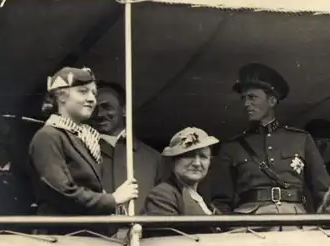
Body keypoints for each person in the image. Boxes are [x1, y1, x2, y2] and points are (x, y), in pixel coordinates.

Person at [210, 63, 330, 218]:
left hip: (295, 220)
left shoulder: (301, 139)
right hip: (251, 223)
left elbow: (323, 192)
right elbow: (221, 202)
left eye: (252, 97)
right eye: (244, 99)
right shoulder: (232, 147)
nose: (246, 104)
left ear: (272, 101)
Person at [28, 67, 138, 235]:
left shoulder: (85, 138)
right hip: (62, 239)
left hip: (86, 235)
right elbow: (62, 192)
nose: (91, 99)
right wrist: (113, 200)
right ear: (61, 96)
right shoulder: (48, 136)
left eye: (93, 93)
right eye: (83, 92)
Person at [92, 81, 165, 216]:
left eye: (106, 107)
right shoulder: (82, 153)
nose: (100, 114)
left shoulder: (154, 158)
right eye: (94, 109)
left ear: (124, 110)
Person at [144, 127, 222, 235]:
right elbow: (166, 241)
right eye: (189, 156)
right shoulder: (162, 195)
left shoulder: (203, 199)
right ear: (173, 161)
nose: (197, 163)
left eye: (203, 157)